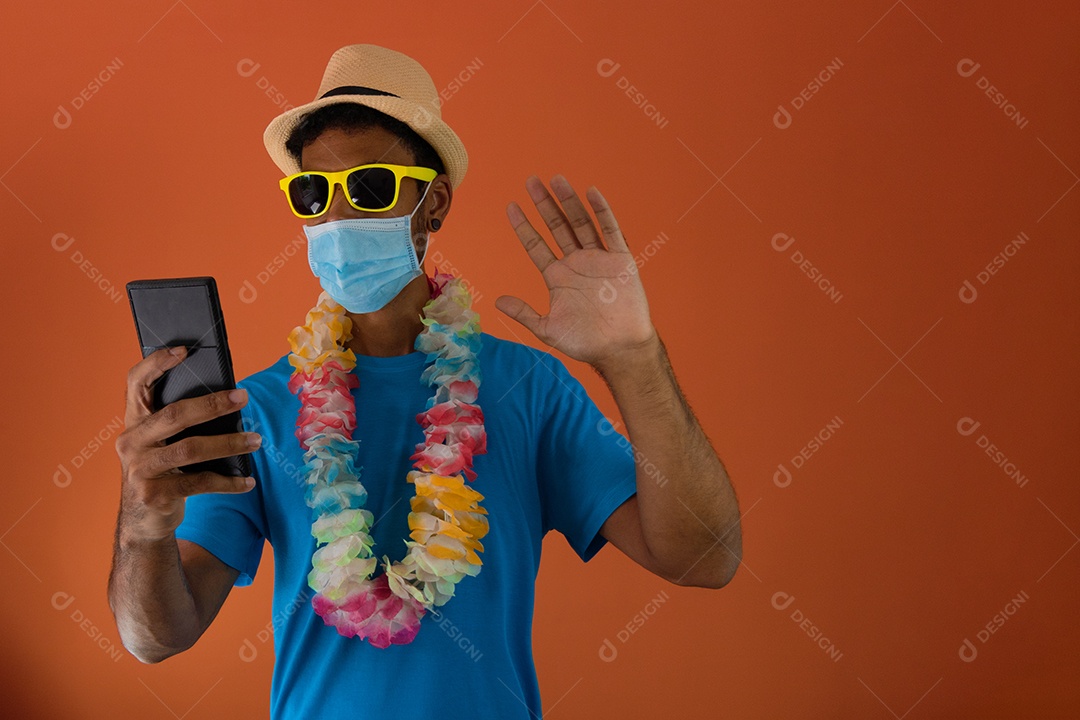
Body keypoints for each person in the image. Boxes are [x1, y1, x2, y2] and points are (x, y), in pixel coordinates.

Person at [108, 44, 742, 719]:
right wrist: (141, 525)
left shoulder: (526, 387)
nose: (340, 216)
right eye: (314, 192)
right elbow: (155, 637)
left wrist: (634, 358)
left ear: (434, 203)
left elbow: (706, 557)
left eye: (372, 187)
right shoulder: (260, 407)